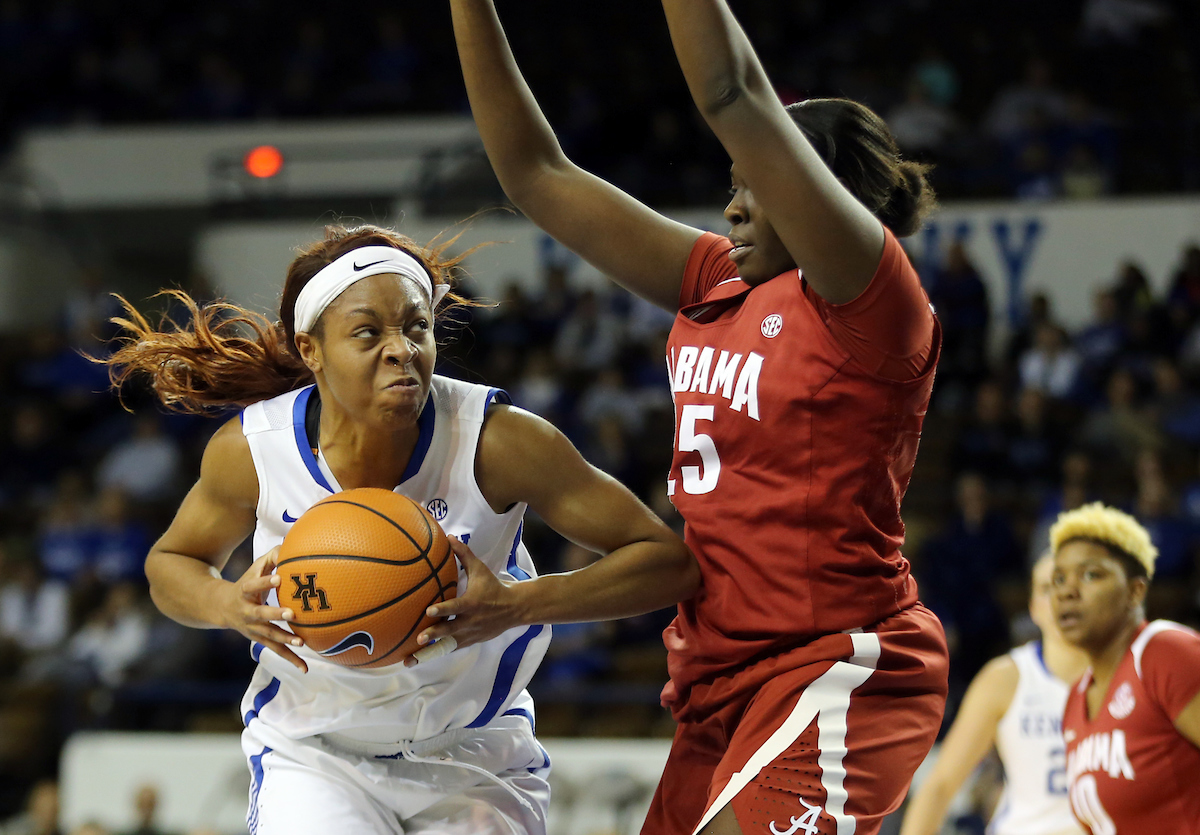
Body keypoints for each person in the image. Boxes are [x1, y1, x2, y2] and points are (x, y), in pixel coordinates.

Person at [445, 1, 950, 833]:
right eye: (733, 189)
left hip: (837, 660)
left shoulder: (872, 300)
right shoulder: (717, 279)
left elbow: (731, 91)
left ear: (825, 197)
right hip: (717, 675)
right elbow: (536, 175)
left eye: (756, 184)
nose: (734, 209)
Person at [103, 224, 698, 835]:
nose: (401, 349)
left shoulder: (499, 441)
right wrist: (225, 602)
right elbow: (169, 564)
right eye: (368, 332)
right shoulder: (254, 450)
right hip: (317, 754)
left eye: (417, 327)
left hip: (475, 755)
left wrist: (519, 604)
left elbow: (665, 561)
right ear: (311, 350)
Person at [898, 555, 1088, 835]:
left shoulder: (1133, 673)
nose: (1062, 598)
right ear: (1033, 607)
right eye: (1049, 588)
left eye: (1073, 587)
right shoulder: (1006, 678)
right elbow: (940, 785)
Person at [1049, 502, 1200, 834]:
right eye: (1058, 578)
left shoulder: (1165, 652)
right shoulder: (1075, 699)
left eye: (1092, 574)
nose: (1067, 591)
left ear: (1136, 591)